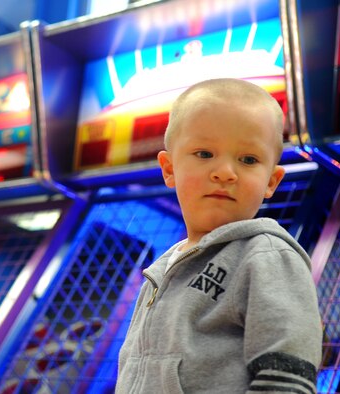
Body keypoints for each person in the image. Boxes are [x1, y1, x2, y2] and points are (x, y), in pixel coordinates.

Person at [116, 78, 322, 393]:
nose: (225, 171)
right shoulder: (161, 269)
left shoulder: (266, 255)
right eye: (204, 153)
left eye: (248, 160)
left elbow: (288, 376)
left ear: (271, 180)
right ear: (169, 168)